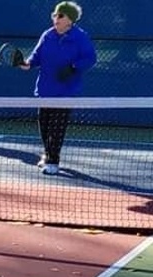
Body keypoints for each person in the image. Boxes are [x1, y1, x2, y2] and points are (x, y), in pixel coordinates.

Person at [15, 1, 96, 175]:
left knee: (57, 128)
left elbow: (90, 58)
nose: (56, 18)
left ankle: (53, 160)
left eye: (60, 16)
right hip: (45, 90)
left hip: (66, 91)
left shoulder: (80, 37)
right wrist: (26, 63)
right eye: (55, 15)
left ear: (70, 20)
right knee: (44, 126)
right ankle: (47, 154)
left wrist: (74, 67)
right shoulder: (47, 35)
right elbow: (35, 57)